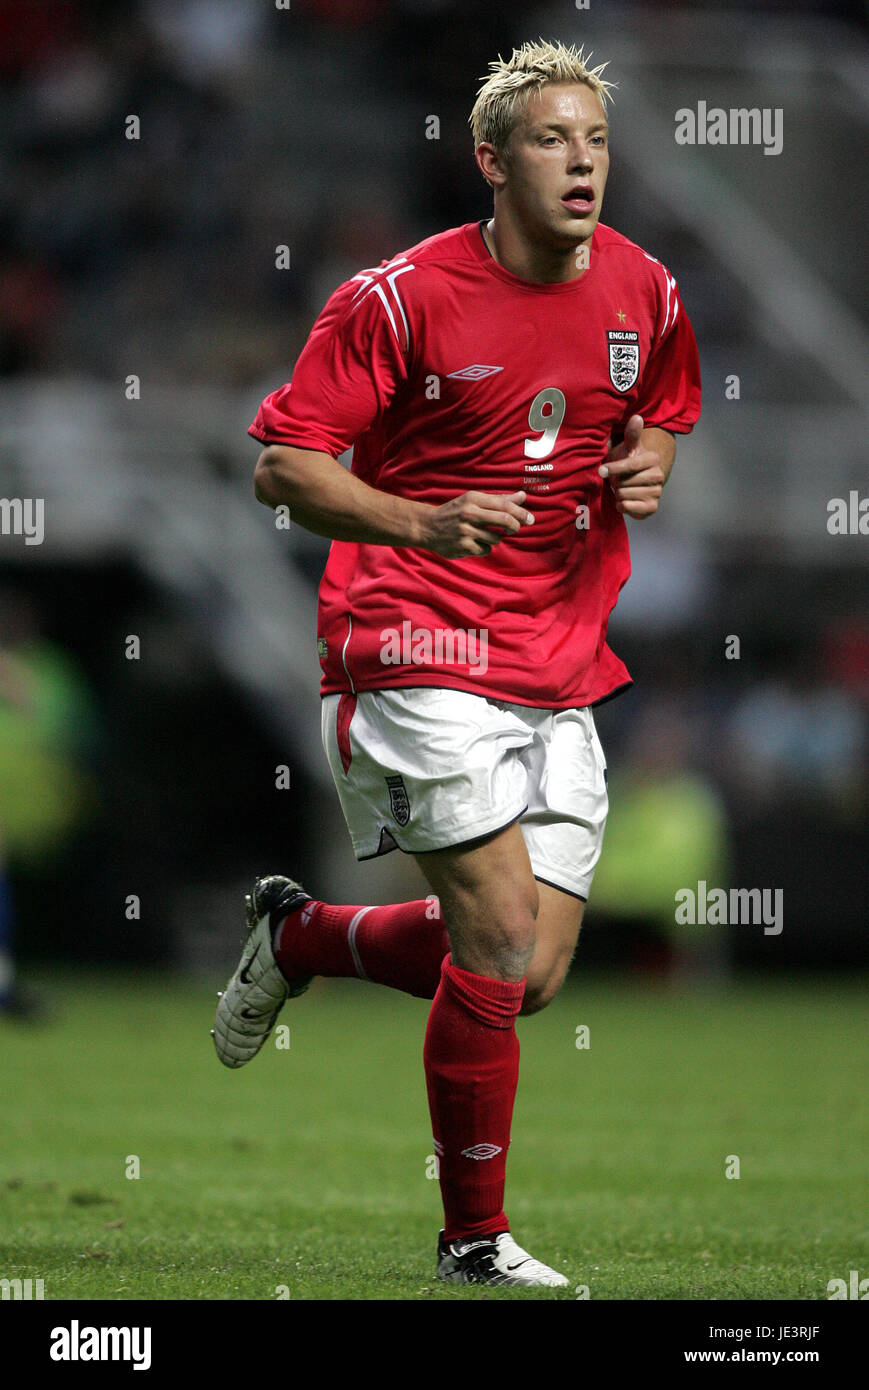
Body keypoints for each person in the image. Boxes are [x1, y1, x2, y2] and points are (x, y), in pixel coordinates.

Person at [213, 38, 701, 1287]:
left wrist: (651, 461)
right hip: (410, 634)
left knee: (523, 969)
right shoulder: (398, 297)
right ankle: (471, 1244)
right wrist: (420, 519)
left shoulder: (644, 288)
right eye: (549, 138)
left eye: (593, 136)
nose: (580, 158)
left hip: (557, 652)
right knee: (491, 932)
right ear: (490, 159)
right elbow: (284, 466)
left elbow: (654, 418)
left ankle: (306, 938)